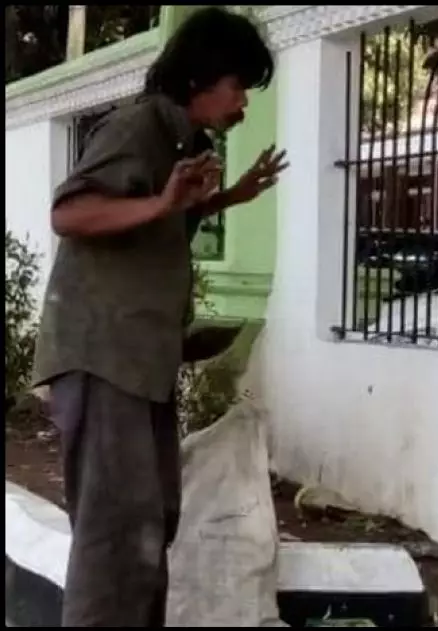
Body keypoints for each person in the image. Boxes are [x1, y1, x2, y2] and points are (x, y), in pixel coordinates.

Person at [31, 7, 288, 626]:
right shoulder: (136, 126)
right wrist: (161, 203)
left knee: (152, 520)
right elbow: (70, 214)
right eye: (237, 87)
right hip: (104, 356)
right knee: (116, 532)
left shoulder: (180, 142)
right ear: (200, 77)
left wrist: (229, 198)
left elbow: (158, 222)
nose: (243, 105)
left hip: (142, 362)